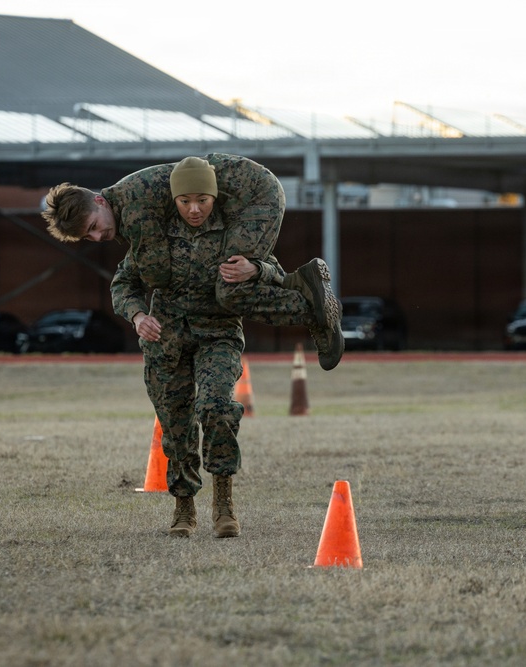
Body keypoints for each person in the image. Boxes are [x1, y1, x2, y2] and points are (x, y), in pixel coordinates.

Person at [41, 155, 343, 538]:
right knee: (176, 427)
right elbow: (124, 283)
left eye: (96, 229)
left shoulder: (232, 229)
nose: (99, 238)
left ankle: (224, 505)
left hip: (218, 334)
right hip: (166, 341)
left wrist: (257, 268)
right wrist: (137, 316)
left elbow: (273, 271)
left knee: (216, 409)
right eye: (185, 202)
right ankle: (184, 511)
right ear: (174, 201)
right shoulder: (147, 231)